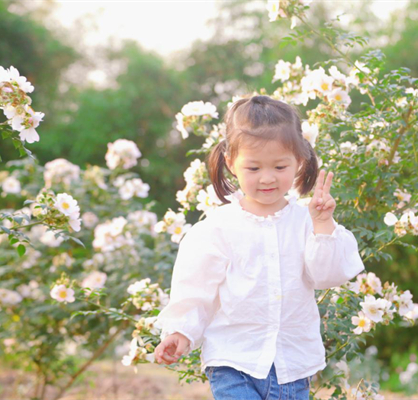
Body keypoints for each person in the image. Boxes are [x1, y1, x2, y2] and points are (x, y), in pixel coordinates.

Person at [153, 95, 365, 400]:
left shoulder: (307, 220)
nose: (267, 178)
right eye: (253, 168)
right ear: (230, 163)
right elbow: (195, 289)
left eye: (280, 166)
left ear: (299, 161)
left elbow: (328, 276)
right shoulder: (217, 228)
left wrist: (323, 224)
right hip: (232, 360)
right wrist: (180, 332)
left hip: (292, 366)